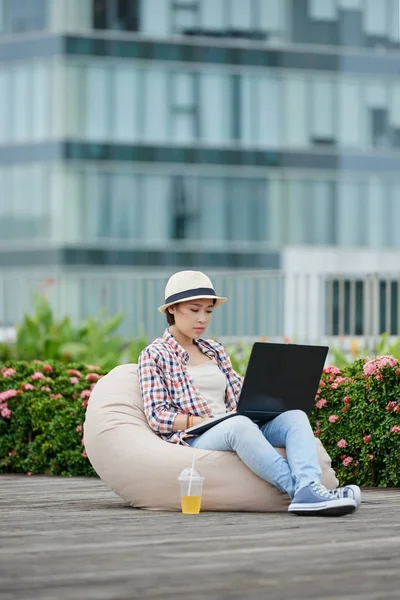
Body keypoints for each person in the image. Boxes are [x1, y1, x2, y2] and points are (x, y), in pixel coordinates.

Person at [138, 270, 361, 516]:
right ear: (172, 309)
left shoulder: (214, 350)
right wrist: (206, 421)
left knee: (295, 416)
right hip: (197, 435)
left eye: (209, 311)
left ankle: (309, 486)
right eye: (194, 310)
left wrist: (270, 396)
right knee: (239, 425)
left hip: (235, 422)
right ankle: (302, 491)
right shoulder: (154, 354)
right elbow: (157, 416)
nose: (203, 319)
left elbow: (238, 394)